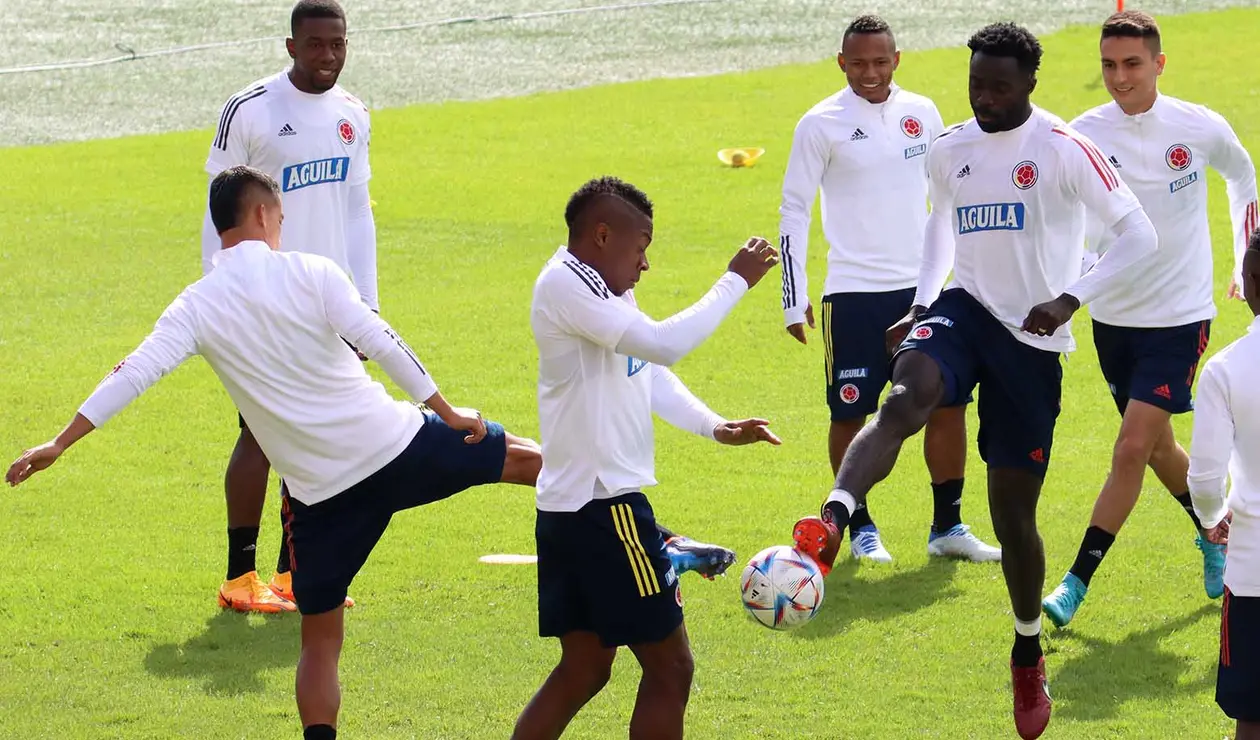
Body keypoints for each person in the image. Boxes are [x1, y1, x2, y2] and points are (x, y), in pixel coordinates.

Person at [6, 166, 543, 740]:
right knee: (524, 457)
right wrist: (447, 411)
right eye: (281, 218)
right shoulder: (313, 271)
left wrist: (60, 442)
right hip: (392, 445)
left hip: (319, 497)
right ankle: (634, 526)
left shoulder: (195, 306)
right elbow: (379, 339)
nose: (283, 229)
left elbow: (133, 372)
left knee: (319, 642)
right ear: (262, 215)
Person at [788, 23, 1157, 740]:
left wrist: (1071, 297)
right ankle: (834, 516)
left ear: (1029, 86)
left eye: (998, 86)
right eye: (975, 85)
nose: (983, 98)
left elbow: (1137, 233)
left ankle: (1025, 649)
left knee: (1013, 514)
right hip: (964, 309)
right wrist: (924, 304)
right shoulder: (951, 145)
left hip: (1032, 338)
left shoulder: (1063, 148)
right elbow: (942, 226)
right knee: (906, 394)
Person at [513, 177, 781, 740]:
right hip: (605, 509)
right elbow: (663, 344)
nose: (645, 263)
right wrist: (735, 281)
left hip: (574, 508)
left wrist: (713, 426)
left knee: (584, 669)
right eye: (641, 247)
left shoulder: (602, 288)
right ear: (602, 235)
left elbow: (647, 369)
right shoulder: (568, 286)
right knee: (672, 666)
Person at [1042, 9, 1258, 627]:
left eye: (1132, 64)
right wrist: (1079, 271)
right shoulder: (1082, 133)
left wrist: (1244, 259)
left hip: (1180, 315)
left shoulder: (1197, 126)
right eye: (1108, 65)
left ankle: (1074, 583)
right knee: (1160, 447)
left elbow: (1242, 177)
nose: (1119, 77)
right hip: (1112, 317)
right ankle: (1217, 534)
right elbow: (1064, 212)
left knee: (1131, 447)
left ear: (1159, 63)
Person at [778, 13, 998, 563]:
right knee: (850, 411)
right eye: (858, 63)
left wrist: (962, 271)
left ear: (897, 60)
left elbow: (947, 199)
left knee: (947, 405)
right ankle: (859, 527)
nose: (870, 73)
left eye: (880, 62)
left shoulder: (922, 113)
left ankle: (947, 526)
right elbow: (794, 209)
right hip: (852, 293)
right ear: (841, 63)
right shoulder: (819, 123)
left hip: (924, 287)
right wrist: (792, 292)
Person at [201, 0, 376, 612]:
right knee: (260, 434)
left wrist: (367, 305)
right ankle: (239, 580)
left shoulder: (354, 114)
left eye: (338, 44)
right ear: (291, 45)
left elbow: (357, 211)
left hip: (329, 302)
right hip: (266, 300)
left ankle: (293, 575)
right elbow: (217, 207)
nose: (328, 55)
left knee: (318, 439)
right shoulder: (250, 110)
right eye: (316, 44)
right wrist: (222, 290)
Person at [1188, 228, 1260, 740]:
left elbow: (1205, 477)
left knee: (1251, 717)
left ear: (1251, 282)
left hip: (1253, 570)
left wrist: (1212, 519)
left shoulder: (1225, 370)